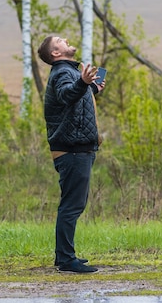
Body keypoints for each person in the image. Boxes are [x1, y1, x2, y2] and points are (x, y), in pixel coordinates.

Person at [37, 35, 105, 274]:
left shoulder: (67, 72)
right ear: (55, 53)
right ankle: (66, 260)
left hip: (76, 148)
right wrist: (83, 82)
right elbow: (67, 94)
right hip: (72, 149)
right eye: (59, 40)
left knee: (73, 204)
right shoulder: (63, 73)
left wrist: (91, 88)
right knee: (71, 206)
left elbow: (72, 101)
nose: (65, 39)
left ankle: (63, 257)